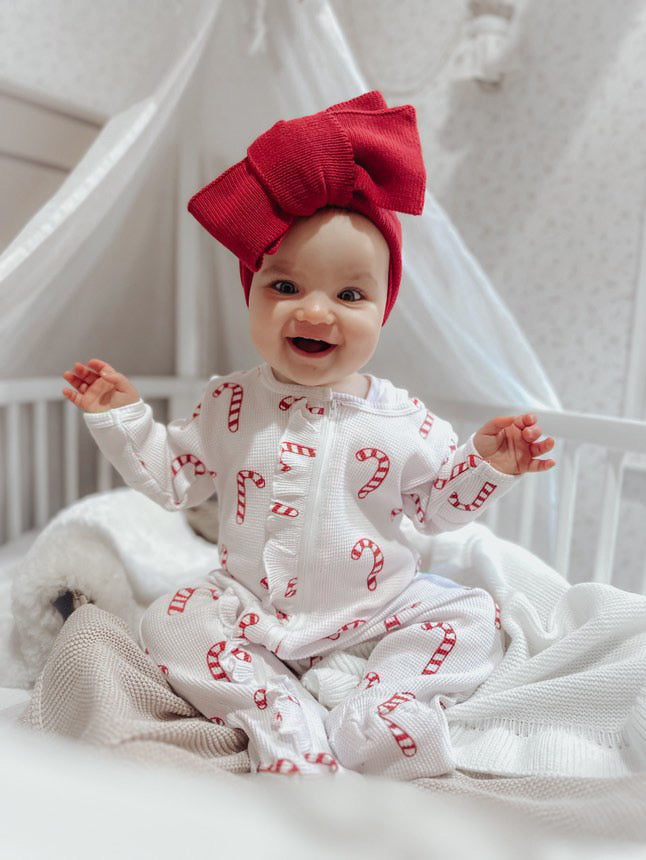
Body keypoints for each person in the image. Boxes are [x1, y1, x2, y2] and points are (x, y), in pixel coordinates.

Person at [62, 92, 555, 779]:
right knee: (170, 617)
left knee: (471, 614)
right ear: (253, 296)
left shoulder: (402, 419)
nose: (315, 310)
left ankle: (382, 717)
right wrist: (123, 417)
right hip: (253, 607)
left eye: (350, 296)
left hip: (376, 602)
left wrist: (486, 463)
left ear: (383, 310)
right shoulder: (229, 403)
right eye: (285, 284)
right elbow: (175, 480)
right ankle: (288, 730)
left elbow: (434, 507)